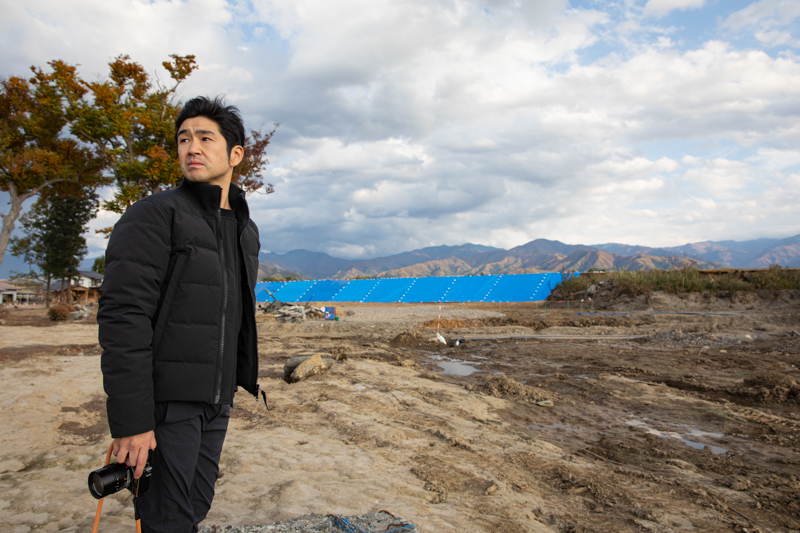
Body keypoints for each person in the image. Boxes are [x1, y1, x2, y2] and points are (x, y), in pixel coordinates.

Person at [98, 96, 261, 532]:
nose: (192, 148)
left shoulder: (245, 230)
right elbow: (123, 317)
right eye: (184, 139)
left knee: (196, 507)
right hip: (166, 405)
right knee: (166, 519)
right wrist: (133, 422)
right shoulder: (153, 215)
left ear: (235, 154)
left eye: (205, 138)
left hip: (217, 400)